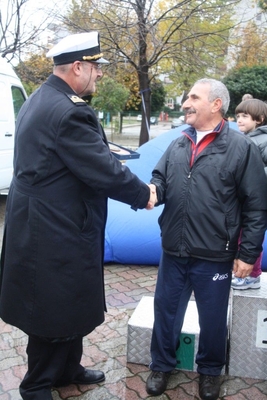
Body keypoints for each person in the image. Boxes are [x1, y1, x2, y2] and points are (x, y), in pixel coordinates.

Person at [0, 32, 156, 400]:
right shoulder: (70, 111)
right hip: (56, 226)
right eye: (96, 68)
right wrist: (143, 194)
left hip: (48, 220)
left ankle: (67, 368)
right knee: (51, 308)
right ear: (77, 67)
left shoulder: (42, 96)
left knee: (68, 301)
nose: (99, 75)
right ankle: (37, 384)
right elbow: (102, 169)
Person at [145, 78, 267, 400]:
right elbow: (160, 176)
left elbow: (256, 206)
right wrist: (155, 188)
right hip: (174, 249)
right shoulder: (178, 142)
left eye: (193, 97)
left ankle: (210, 372)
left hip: (215, 254)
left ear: (216, 104)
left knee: (212, 319)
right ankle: (161, 365)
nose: (186, 102)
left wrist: (248, 253)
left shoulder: (242, 148)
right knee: (166, 311)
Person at [232, 98, 267, 289]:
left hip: (256, 201)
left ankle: (251, 276)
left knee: (250, 238)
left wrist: (257, 176)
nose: (239, 120)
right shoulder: (246, 140)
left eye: (245, 116)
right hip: (242, 200)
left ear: (259, 119)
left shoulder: (263, 140)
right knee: (240, 237)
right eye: (238, 116)